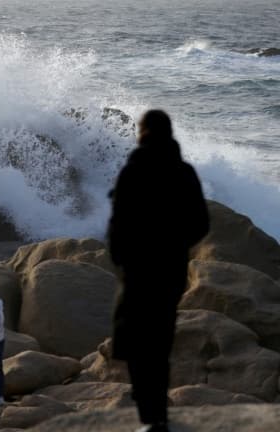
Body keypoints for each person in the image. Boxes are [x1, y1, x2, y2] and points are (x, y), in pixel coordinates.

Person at [108, 109, 210, 432]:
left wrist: (121, 259)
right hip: (170, 271)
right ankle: (159, 417)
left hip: (138, 271)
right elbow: (201, 223)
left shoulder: (133, 171)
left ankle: (149, 415)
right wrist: (178, 245)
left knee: (137, 340)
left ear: (143, 132)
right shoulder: (184, 172)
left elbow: (117, 223)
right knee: (160, 340)